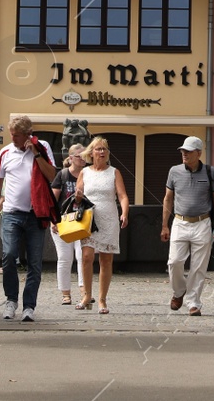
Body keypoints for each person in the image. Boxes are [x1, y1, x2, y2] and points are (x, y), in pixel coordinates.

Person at [0, 116, 59, 321]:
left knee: (35, 262)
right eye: (11, 134)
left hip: (36, 213)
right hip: (11, 212)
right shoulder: (5, 152)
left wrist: (35, 153)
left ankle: (29, 306)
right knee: (9, 255)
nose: (13, 138)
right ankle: (11, 300)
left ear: (28, 135)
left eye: (17, 135)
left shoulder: (42, 147)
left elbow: (51, 175)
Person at [162, 136, 214, 316]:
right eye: (183, 151)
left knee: (198, 266)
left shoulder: (209, 172)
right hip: (180, 222)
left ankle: (193, 302)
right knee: (174, 262)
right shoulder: (174, 171)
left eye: (188, 151)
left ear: (199, 153)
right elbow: (168, 198)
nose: (184, 154)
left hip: (202, 223)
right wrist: (164, 225)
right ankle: (179, 292)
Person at [72, 135, 127, 315]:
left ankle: (102, 299)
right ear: (92, 153)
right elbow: (77, 198)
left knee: (106, 259)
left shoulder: (114, 172)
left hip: (109, 217)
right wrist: (78, 197)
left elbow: (122, 196)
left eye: (104, 149)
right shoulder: (84, 172)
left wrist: (125, 212)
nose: (102, 152)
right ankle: (86, 296)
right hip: (89, 218)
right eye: (98, 148)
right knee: (87, 256)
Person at [49, 144, 86, 304]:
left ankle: (84, 291)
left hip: (82, 220)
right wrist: (53, 220)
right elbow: (52, 199)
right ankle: (66, 293)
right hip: (63, 221)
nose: (83, 158)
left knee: (83, 256)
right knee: (64, 258)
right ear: (71, 158)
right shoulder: (63, 175)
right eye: (79, 156)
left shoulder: (89, 174)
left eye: (85, 155)